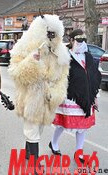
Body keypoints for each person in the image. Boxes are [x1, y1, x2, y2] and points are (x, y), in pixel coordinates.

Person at [8, 14, 71, 172]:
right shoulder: (25, 46)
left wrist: (56, 93)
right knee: (33, 129)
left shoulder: (61, 52)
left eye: (54, 34)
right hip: (31, 96)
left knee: (39, 129)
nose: (51, 37)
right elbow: (15, 72)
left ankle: (28, 152)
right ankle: (35, 164)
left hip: (47, 99)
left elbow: (63, 79)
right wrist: (31, 60)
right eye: (48, 33)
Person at [50, 29, 101, 163]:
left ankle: (79, 152)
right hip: (70, 97)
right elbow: (57, 76)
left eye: (84, 40)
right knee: (62, 125)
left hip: (86, 97)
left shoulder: (88, 57)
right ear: (71, 41)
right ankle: (54, 143)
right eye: (78, 40)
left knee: (82, 127)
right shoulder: (65, 57)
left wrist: (95, 95)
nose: (82, 43)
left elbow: (94, 77)